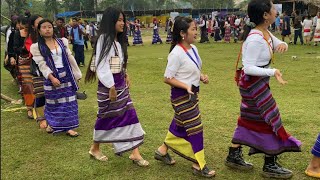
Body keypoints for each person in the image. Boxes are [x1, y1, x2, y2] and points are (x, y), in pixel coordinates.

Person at [225, 0, 301, 179]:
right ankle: (270, 163)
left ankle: (233, 154)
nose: (276, 11)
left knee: (249, 119)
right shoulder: (255, 39)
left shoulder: (264, 32)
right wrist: (273, 71)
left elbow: (279, 43)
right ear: (266, 15)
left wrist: (284, 45)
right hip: (252, 85)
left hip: (258, 83)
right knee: (270, 117)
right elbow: (248, 68)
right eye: (273, 8)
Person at [85, 7, 149, 166]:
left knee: (130, 115)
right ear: (110, 21)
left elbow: (117, 63)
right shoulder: (104, 39)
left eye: (123, 20)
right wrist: (111, 86)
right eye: (119, 20)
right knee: (105, 117)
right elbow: (101, 65)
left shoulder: (117, 41)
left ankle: (135, 153)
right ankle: (94, 148)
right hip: (109, 87)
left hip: (121, 85)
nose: (123, 23)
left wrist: (125, 74)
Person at [154, 16, 215, 178]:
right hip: (181, 97)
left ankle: (162, 151)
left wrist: (201, 76)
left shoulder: (193, 49)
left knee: (180, 126)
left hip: (192, 94)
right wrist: (186, 86)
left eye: (196, 28)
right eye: (193, 29)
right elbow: (167, 78)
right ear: (182, 33)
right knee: (195, 128)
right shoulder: (176, 53)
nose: (196, 32)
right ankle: (199, 164)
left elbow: (192, 68)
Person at [30, 19, 82, 137]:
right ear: (39, 30)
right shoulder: (36, 47)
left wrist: (76, 74)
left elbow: (70, 58)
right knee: (53, 103)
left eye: (49, 27)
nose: (47, 29)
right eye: (44, 27)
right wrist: (51, 77)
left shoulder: (62, 41)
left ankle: (69, 128)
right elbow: (42, 64)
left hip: (66, 75)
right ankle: (52, 124)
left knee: (69, 102)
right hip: (51, 77)